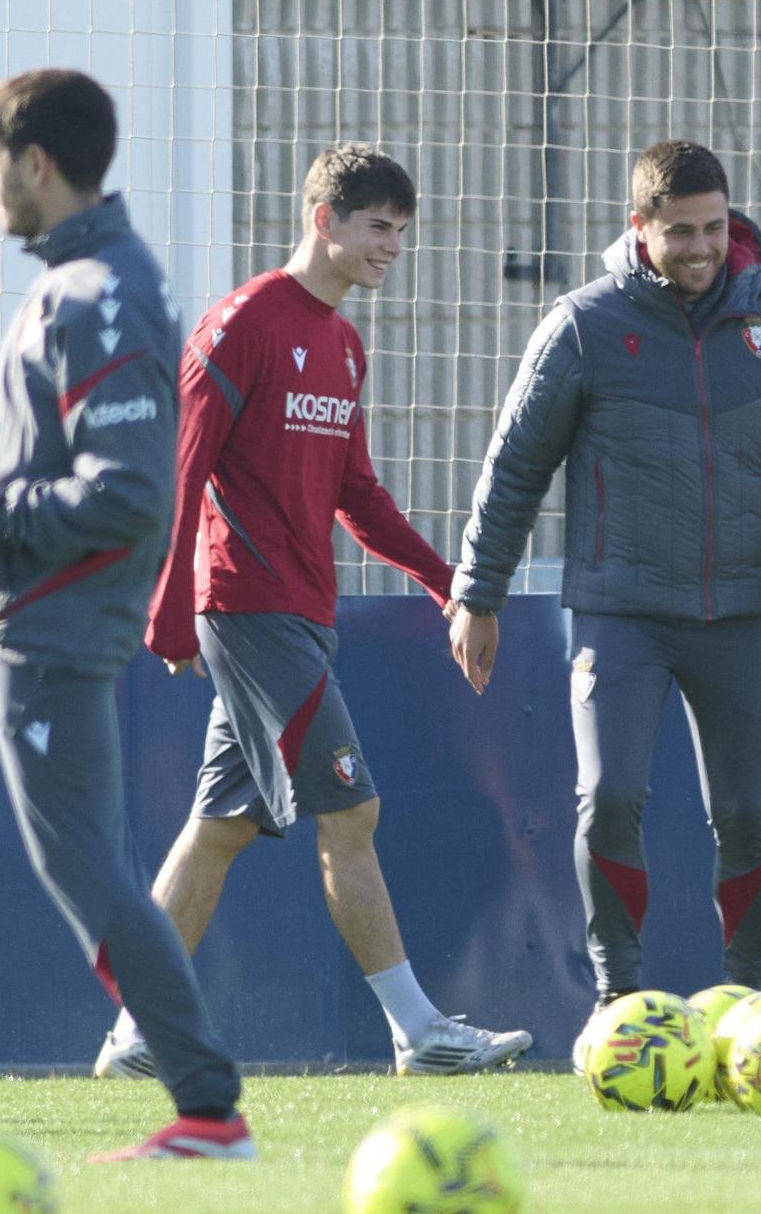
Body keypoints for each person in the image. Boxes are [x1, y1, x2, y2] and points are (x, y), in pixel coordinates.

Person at [94, 143, 531, 1079]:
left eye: (403, 234)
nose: (392, 248)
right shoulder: (243, 322)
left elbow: (358, 494)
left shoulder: (344, 344)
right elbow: (183, 473)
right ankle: (419, 1032)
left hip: (300, 614)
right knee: (354, 811)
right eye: (379, 228)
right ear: (323, 219)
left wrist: (445, 579)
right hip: (247, 608)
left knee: (218, 829)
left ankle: (136, 1033)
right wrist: (166, 616)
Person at [445, 140, 761, 1064]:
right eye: (680, 230)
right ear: (640, 228)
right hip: (623, 610)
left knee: (751, 814)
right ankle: (620, 996)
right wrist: (476, 593)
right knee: (610, 796)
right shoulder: (583, 326)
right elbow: (514, 467)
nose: (701, 247)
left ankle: (752, 996)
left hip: (743, 611)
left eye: (714, 227)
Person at [0, 68, 251, 1159]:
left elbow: (129, 497)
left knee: (84, 873)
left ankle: (210, 1110)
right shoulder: (64, 279)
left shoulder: (109, 292)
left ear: (35, 164)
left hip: (46, 634)